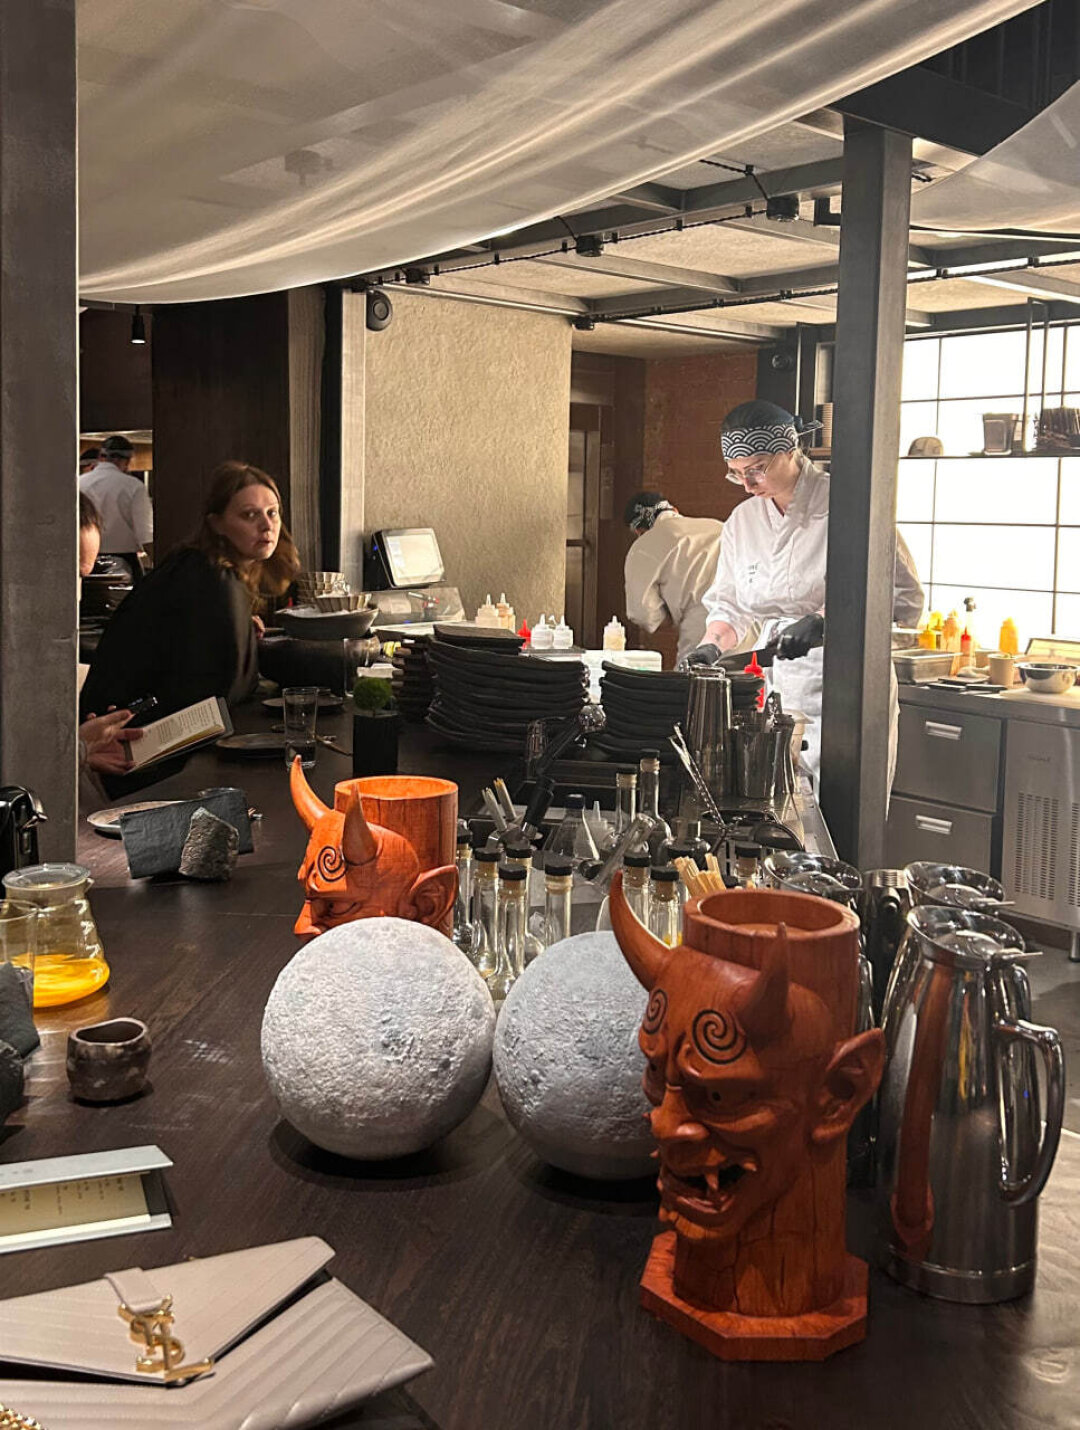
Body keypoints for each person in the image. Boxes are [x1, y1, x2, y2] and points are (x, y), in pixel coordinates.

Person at [695, 400, 924, 785]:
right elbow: (731, 604)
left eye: (756, 469)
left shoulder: (849, 507)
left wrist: (823, 622)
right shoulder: (743, 521)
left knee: (838, 807)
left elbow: (904, 598)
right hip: (775, 690)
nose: (748, 485)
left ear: (790, 450)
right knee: (777, 804)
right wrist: (711, 645)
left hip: (846, 691)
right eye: (736, 474)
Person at [80, 461, 300, 725]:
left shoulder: (200, 565)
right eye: (249, 515)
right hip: (118, 731)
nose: (267, 525)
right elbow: (221, 693)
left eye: (272, 513)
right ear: (216, 523)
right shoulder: (210, 576)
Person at [622, 492, 726, 664]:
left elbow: (642, 612)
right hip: (751, 623)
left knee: (697, 679)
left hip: (703, 629)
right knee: (751, 678)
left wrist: (669, 617)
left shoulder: (644, 545)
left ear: (638, 531)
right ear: (674, 510)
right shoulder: (719, 527)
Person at [78, 434, 153, 582]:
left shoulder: (79, 483)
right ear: (127, 460)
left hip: (84, 560)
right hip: (124, 564)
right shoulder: (133, 486)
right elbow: (145, 535)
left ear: (101, 457)